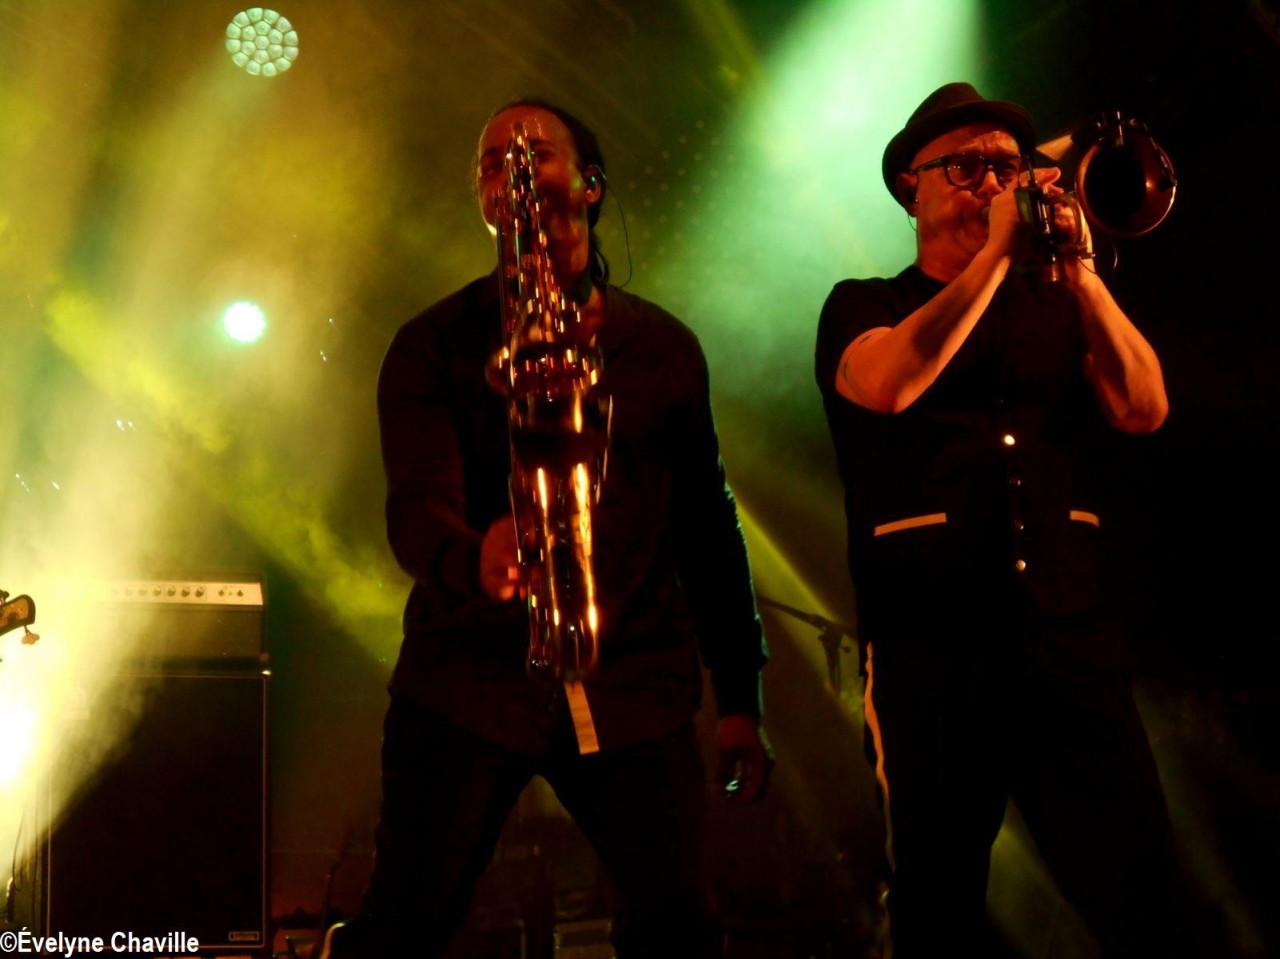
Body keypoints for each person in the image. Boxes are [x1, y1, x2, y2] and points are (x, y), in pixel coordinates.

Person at [321, 99, 770, 959]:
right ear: (484, 202)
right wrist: (475, 556)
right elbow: (413, 508)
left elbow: (708, 525)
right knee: (405, 925)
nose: (513, 168)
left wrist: (742, 697)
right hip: (468, 680)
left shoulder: (663, 346)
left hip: (633, 680)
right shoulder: (431, 343)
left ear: (591, 185)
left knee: (680, 928)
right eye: (493, 161)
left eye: (534, 152)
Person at [814, 82, 1193, 957]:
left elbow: (1145, 407)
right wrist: (995, 255)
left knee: (1147, 899)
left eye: (1007, 167)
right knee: (938, 906)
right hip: (930, 652)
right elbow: (890, 383)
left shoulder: (1059, 303)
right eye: (966, 167)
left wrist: (1083, 272)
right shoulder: (864, 304)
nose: (992, 183)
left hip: (1069, 639)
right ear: (911, 186)